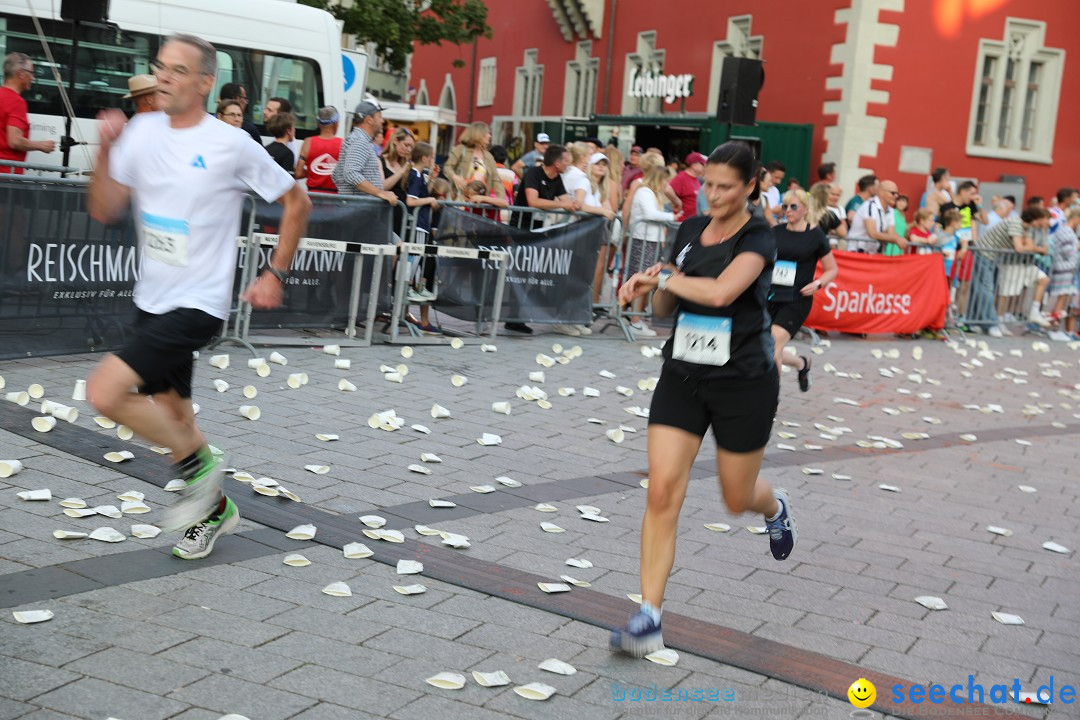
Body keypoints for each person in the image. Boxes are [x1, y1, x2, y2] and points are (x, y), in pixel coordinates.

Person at [85, 33, 311, 560]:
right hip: (151, 299)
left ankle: (201, 473)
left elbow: (296, 201)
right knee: (178, 419)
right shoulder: (140, 130)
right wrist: (107, 148)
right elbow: (104, 207)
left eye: (177, 70)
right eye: (160, 67)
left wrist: (275, 271)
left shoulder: (231, 144)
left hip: (199, 304)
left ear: (205, 82)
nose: (163, 77)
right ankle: (216, 510)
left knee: (105, 393)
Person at [611, 141, 795, 657]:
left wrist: (669, 277)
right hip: (685, 373)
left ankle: (774, 505)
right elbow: (670, 305)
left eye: (725, 187)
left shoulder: (759, 235)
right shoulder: (689, 231)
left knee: (736, 498)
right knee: (661, 490)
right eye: (707, 184)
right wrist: (647, 288)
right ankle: (649, 617)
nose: (711, 196)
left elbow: (719, 294)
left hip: (744, 381)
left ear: (750, 187)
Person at [768, 189, 838, 392]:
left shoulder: (815, 235)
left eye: (793, 206)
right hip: (770, 296)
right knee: (762, 347)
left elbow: (831, 269)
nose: (787, 210)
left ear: (805, 210)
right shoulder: (775, 231)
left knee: (772, 344)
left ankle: (769, 401)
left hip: (796, 299)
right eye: (784, 206)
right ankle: (801, 363)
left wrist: (817, 284)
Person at [509, 144, 577, 334]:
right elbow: (534, 201)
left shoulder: (558, 179)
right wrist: (559, 204)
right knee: (520, 273)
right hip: (520, 228)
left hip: (539, 230)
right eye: (566, 161)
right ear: (557, 163)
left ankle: (518, 315)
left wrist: (569, 204)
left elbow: (565, 201)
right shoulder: (533, 174)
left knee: (531, 272)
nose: (569, 165)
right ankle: (512, 317)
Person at [624, 153, 677, 339]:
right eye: (665, 181)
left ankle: (637, 319)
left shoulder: (650, 192)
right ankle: (635, 321)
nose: (667, 186)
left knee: (647, 278)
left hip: (651, 240)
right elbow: (650, 213)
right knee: (641, 278)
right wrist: (673, 217)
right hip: (643, 240)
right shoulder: (644, 191)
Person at [405, 142, 441, 332]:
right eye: (431, 156)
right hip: (418, 225)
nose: (432, 160)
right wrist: (430, 199)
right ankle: (408, 287)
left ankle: (411, 287)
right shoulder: (414, 175)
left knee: (418, 259)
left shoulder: (419, 176)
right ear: (424, 158)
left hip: (422, 226)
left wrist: (432, 180)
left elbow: (420, 194)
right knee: (415, 258)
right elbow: (411, 200)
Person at [332, 100, 396, 205]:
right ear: (369, 120)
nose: (382, 121)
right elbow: (351, 174)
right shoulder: (360, 141)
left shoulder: (359, 139)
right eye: (379, 116)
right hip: (357, 210)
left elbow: (336, 174)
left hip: (356, 208)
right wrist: (380, 193)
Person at [1, 52, 56, 174]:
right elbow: (14, 141)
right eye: (31, 73)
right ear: (20, 74)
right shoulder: (16, 101)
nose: (33, 78)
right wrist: (41, 145)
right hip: (7, 176)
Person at [846, 179, 906, 254]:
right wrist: (896, 238)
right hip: (857, 250)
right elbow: (872, 233)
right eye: (893, 193)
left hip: (872, 252)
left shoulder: (890, 210)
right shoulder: (870, 206)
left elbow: (891, 233)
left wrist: (899, 239)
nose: (896, 196)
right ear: (881, 193)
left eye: (897, 193)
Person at [443, 121, 499, 201]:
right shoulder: (461, 149)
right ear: (478, 134)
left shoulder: (489, 156)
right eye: (487, 133)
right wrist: (454, 177)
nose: (489, 136)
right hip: (460, 200)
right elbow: (447, 167)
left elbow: (496, 179)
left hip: (480, 202)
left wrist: (501, 200)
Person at [296, 106, 341, 193]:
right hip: (335, 198)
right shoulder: (343, 144)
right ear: (336, 124)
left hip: (313, 196)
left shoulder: (308, 142)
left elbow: (298, 173)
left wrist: (313, 172)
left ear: (319, 124)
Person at [1048, 209, 1079, 330]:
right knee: (1062, 295)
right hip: (1064, 268)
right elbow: (1067, 251)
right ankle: (1054, 320)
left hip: (1065, 268)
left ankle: (1055, 320)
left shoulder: (1066, 230)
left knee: (1063, 296)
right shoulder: (1066, 231)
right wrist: (1077, 247)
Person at [670, 152, 706, 221]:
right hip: (682, 222)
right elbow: (667, 189)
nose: (704, 166)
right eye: (702, 164)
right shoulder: (682, 177)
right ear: (694, 165)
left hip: (692, 221)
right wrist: (677, 201)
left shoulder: (696, 179)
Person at [264, 111, 295, 176]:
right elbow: (288, 181)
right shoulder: (287, 154)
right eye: (293, 127)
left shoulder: (265, 149)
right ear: (289, 130)